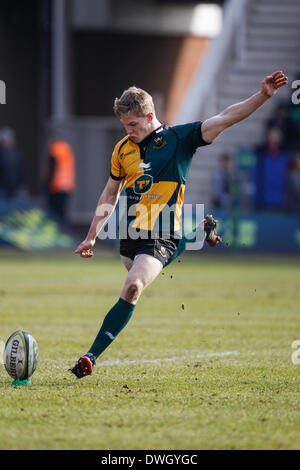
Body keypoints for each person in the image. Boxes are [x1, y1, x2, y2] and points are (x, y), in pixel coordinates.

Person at [70, 70, 288, 379]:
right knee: (137, 273)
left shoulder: (179, 139)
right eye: (124, 126)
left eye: (133, 125)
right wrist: (92, 235)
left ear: (150, 115)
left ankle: (90, 356)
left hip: (161, 238)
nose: (128, 131)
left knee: (133, 287)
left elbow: (226, 118)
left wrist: (263, 95)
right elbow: (110, 192)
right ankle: (200, 232)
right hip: (130, 238)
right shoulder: (122, 150)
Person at [42, 136, 76, 223]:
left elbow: (52, 169)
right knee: (62, 212)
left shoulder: (54, 150)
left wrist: (45, 184)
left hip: (55, 186)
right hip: (66, 186)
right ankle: (63, 230)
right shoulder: (66, 148)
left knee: (54, 213)